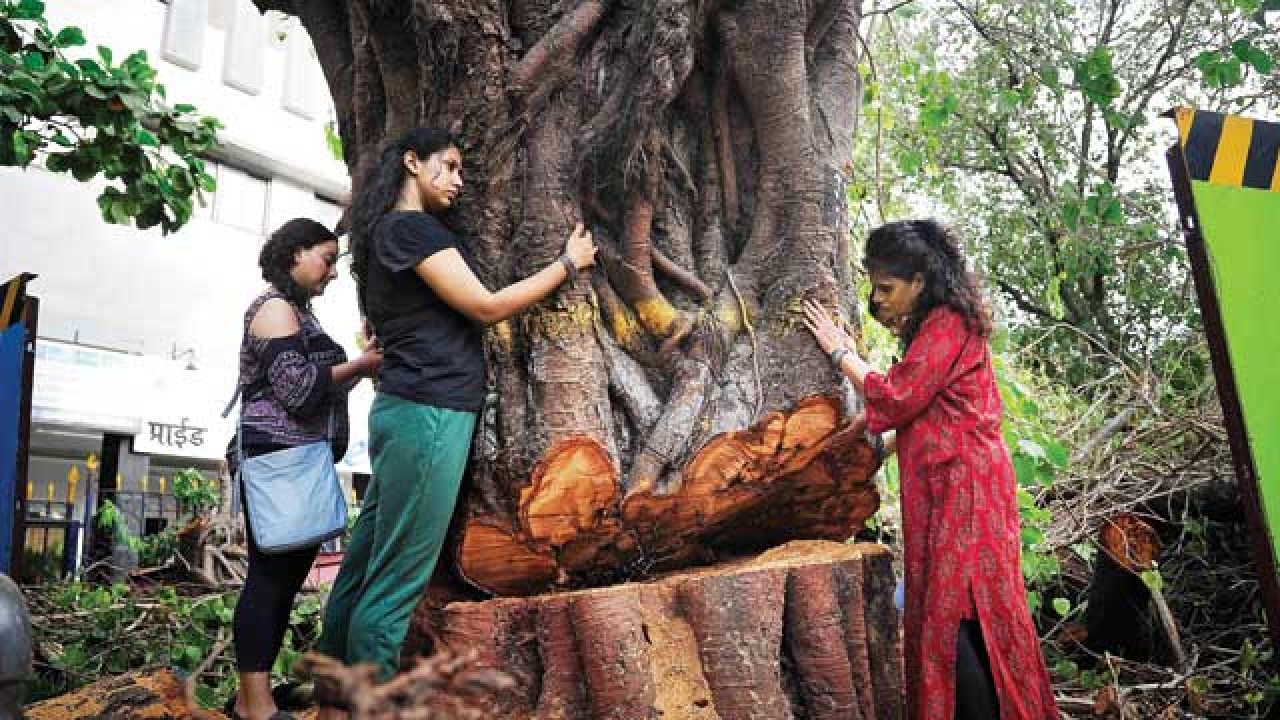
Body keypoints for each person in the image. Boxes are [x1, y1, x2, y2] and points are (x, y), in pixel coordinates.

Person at [315, 127, 596, 714]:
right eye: (450, 165)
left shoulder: (381, 236)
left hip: (405, 411)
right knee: (394, 582)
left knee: (365, 561)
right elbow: (485, 306)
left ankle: (332, 696)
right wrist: (567, 265)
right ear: (413, 163)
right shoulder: (408, 228)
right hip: (431, 415)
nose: (459, 180)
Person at [802, 219, 1059, 720]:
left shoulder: (947, 323)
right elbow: (934, 411)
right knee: (960, 612)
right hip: (951, 488)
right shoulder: (940, 328)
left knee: (956, 613)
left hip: (965, 492)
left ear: (920, 281)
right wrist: (870, 438)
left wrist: (840, 352)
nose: (878, 301)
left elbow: (899, 396)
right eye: (873, 288)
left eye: (887, 289)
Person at [227, 218, 382, 720]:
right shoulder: (274, 309)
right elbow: (297, 389)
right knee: (269, 578)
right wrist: (358, 365)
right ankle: (254, 705)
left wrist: (359, 363)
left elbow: (321, 385)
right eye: (327, 258)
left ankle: (258, 693)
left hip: (298, 461)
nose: (333, 272)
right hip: (277, 460)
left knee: (286, 579)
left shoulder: (300, 314)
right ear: (294, 254)